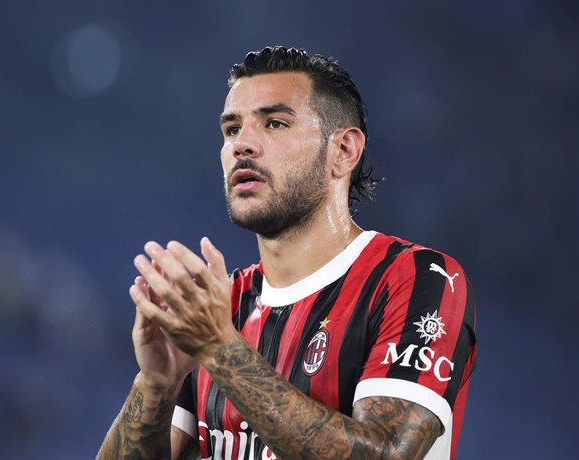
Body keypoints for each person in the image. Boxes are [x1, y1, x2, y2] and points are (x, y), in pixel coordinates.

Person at [97, 46, 477, 460]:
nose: (242, 144)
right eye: (231, 130)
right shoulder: (221, 307)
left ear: (344, 151)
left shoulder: (417, 278)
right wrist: (156, 385)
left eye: (275, 123)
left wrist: (220, 349)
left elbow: (388, 455)